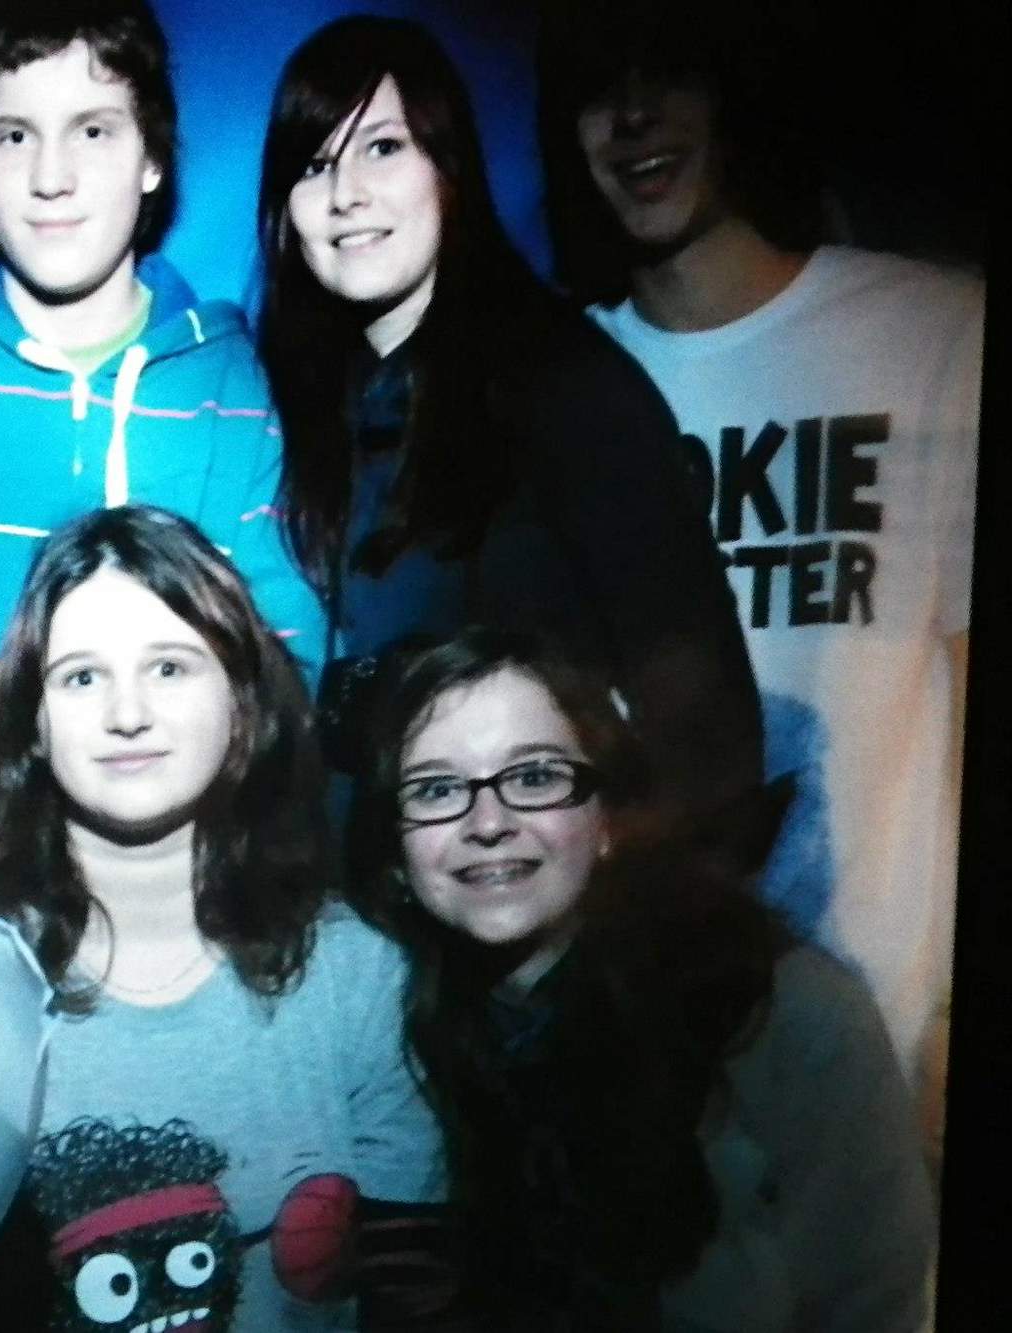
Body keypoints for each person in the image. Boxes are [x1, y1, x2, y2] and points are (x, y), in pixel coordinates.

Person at [538, 0, 981, 1165]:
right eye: (599, 89)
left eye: (668, 73)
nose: (634, 116)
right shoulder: (558, 382)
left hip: (880, 1040)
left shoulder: (931, 332)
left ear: (730, 92)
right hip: (643, 1057)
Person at [0, 0, 327, 884]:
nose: (52, 176)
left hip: (186, 911)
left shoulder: (232, 384)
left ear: (153, 157)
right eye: (14, 136)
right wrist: (147, 711)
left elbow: (284, 678)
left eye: (92, 130)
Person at [254, 16, 762, 858]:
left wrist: (626, 916)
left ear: (447, 168)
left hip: (539, 911)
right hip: (356, 915)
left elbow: (706, 731)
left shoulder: (566, 385)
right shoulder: (289, 408)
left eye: (383, 148)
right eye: (314, 164)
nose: (346, 192)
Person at [0, 506, 449, 1331]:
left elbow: (416, 1296)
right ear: (33, 720)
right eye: (81, 677)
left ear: (242, 701)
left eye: (170, 667)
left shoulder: (358, 979)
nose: (127, 711)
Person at [345, 627, 935, 1330]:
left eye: (534, 777)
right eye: (438, 789)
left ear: (606, 819)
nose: (489, 822)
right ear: (397, 845)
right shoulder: (378, 1029)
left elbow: (873, 1303)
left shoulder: (781, 1013)